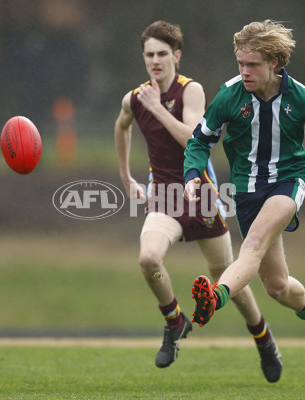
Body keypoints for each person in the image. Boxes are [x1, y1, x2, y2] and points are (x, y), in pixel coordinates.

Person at [184, 20, 305, 358]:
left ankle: (215, 298)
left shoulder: (299, 96)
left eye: (252, 64)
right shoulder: (229, 95)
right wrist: (193, 173)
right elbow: (199, 140)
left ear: (275, 63)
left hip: (287, 182)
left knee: (251, 245)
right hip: (247, 192)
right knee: (278, 287)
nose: (245, 71)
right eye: (240, 63)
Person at [114, 20, 283, 382]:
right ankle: (174, 322)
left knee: (227, 278)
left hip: (200, 195)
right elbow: (121, 125)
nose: (155, 61)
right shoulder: (136, 97)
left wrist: (159, 108)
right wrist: (126, 176)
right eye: (149, 55)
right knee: (147, 258)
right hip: (163, 196)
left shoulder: (190, 91)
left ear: (176, 56)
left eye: (162, 54)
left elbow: (193, 137)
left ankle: (263, 338)